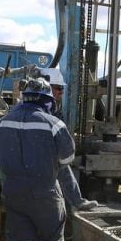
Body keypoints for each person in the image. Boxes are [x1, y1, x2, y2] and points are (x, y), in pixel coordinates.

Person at [0, 77, 74, 241]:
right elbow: (67, 158)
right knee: (51, 233)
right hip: (44, 190)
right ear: (47, 100)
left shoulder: (3, 122)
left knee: (19, 236)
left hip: (14, 189)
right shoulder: (53, 123)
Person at [40, 68, 98, 212]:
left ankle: (76, 202)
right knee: (61, 166)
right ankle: (76, 202)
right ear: (46, 87)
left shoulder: (53, 108)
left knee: (61, 166)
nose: (61, 92)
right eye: (58, 88)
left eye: (62, 88)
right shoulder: (40, 110)